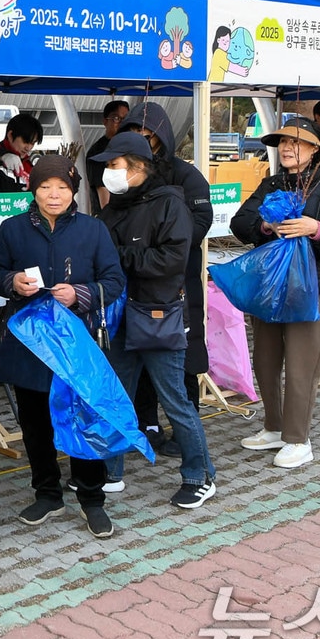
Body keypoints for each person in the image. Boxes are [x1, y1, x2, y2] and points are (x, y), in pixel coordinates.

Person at [0, 155, 124, 538]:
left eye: (61, 187)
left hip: (75, 344)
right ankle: (47, 493)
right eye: (45, 187)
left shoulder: (93, 230)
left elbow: (114, 281)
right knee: (34, 422)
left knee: (83, 417)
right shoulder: (13, 229)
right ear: (34, 189)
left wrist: (79, 293)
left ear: (72, 190)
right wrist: (12, 282)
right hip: (30, 343)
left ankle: (92, 498)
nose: (53, 195)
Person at [92, 131, 216, 509]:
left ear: (138, 167)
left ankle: (200, 474)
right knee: (116, 398)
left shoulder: (170, 204)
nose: (109, 173)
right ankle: (109, 473)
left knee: (174, 400)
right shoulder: (113, 207)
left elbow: (171, 262)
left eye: (114, 166)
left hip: (158, 315)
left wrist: (121, 260)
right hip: (119, 317)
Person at [231, 118, 320, 469]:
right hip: (270, 286)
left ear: (316, 150)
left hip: (310, 287)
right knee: (266, 359)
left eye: (298, 143)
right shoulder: (271, 183)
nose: (288, 148)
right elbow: (239, 223)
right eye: (284, 142)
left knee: (303, 366)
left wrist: (316, 229)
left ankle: (297, 438)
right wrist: (264, 224)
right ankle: (273, 426)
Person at [120, 101, 213, 433]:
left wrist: (159, 242)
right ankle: (146, 424)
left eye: (147, 135)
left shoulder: (186, 175)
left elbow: (200, 223)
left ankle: (186, 428)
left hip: (178, 281)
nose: (141, 141)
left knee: (183, 355)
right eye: (132, 134)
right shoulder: (127, 175)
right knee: (140, 352)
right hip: (136, 282)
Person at [86, 101, 129, 215]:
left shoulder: (129, 147)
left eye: (125, 119)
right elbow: (104, 196)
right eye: (116, 118)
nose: (121, 123)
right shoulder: (98, 152)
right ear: (105, 121)